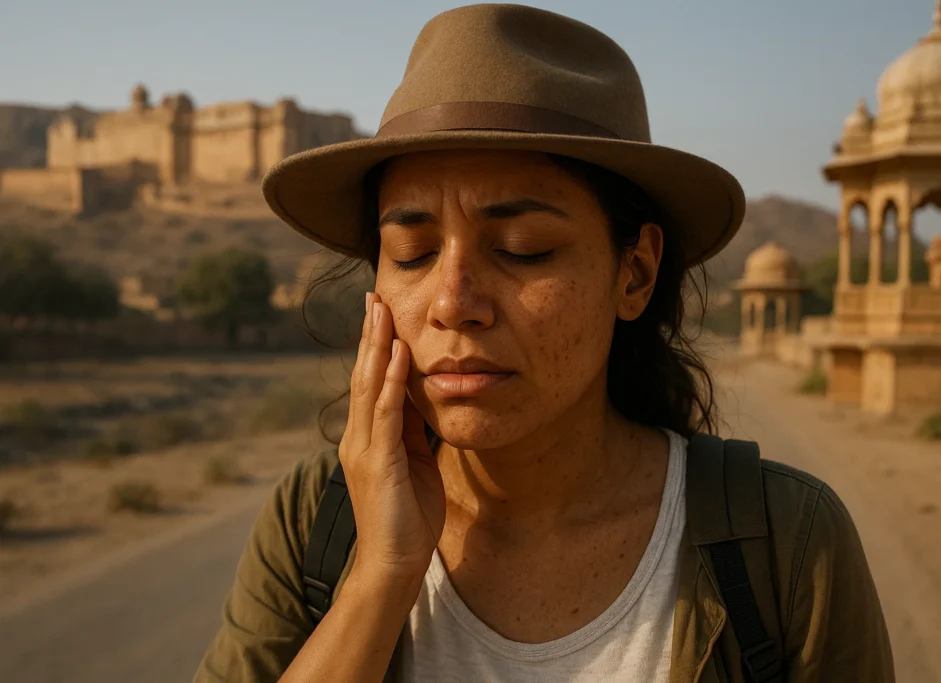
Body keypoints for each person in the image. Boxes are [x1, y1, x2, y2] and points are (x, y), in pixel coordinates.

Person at [194, 4, 895, 682]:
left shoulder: (788, 543)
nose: (452, 304)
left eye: (523, 249)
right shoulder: (315, 521)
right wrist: (380, 578)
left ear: (635, 273)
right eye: (411, 253)